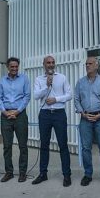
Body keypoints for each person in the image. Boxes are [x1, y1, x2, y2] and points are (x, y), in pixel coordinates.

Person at [32, 55, 72, 187]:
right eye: (48, 62)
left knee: (63, 145)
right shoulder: (39, 79)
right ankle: (43, 174)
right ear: (43, 64)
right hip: (44, 114)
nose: (51, 64)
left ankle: (67, 175)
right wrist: (46, 86)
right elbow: (36, 95)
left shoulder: (62, 77)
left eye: (53, 62)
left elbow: (69, 95)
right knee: (44, 145)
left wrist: (56, 99)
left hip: (59, 114)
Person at [75, 57, 100, 187]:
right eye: (86, 64)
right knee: (85, 148)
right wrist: (82, 113)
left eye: (90, 64)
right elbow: (76, 99)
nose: (87, 66)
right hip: (85, 118)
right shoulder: (80, 82)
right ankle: (88, 174)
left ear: (97, 66)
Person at [0, 57, 30, 183]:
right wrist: (5, 112)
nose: (14, 69)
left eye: (16, 66)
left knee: (22, 146)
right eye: (12, 67)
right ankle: (9, 172)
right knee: (7, 146)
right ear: (8, 67)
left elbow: (27, 96)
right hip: (6, 115)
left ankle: (22, 173)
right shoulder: (2, 81)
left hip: (20, 115)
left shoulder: (24, 79)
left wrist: (17, 111)